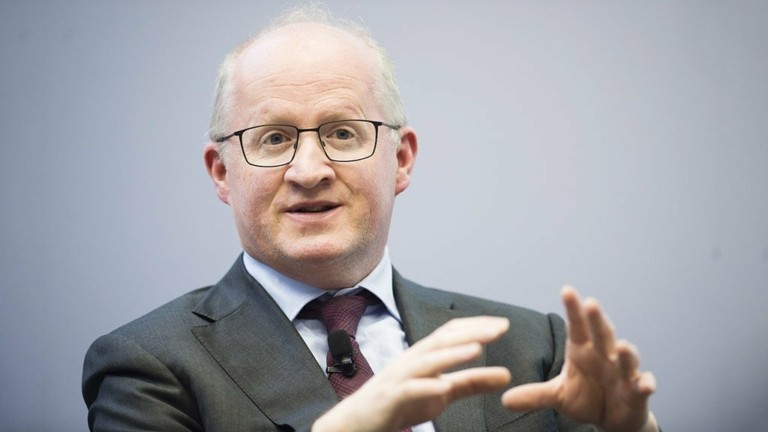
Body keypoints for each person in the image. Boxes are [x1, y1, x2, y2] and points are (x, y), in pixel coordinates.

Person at [82, 6, 659, 432]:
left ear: (401, 159)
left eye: (342, 133)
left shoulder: (533, 347)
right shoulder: (149, 367)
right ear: (222, 173)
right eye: (274, 138)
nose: (309, 170)